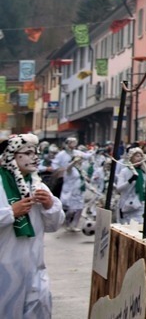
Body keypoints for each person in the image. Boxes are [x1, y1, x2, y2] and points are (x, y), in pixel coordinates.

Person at [0, 133, 65, 318]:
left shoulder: (38, 186)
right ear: (11, 156)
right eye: (27, 152)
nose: (35, 157)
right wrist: (10, 213)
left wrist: (49, 206)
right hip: (4, 268)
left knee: (39, 311)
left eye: (36, 152)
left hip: (35, 268)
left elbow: (54, 225)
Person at [51, 137, 86, 232]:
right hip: (67, 183)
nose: (73, 144)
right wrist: (61, 169)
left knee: (79, 208)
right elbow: (57, 165)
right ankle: (66, 221)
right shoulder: (63, 155)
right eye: (71, 142)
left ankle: (74, 225)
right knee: (71, 209)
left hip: (78, 190)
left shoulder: (80, 168)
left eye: (75, 142)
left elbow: (87, 156)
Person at [114, 147, 146, 225]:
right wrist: (130, 181)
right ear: (131, 158)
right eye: (136, 156)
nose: (139, 158)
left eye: (140, 156)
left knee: (139, 226)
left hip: (139, 205)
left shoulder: (143, 172)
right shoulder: (124, 171)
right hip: (126, 206)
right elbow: (118, 188)